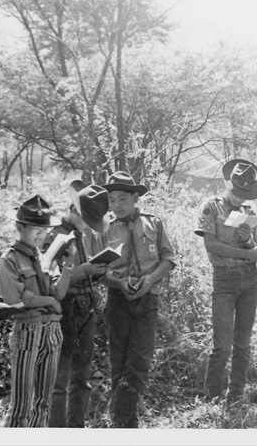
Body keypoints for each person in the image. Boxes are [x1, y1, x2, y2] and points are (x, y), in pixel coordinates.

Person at [99, 171, 176, 428]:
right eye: (111, 200)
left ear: (135, 198)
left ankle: (119, 418)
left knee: (139, 363)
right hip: (117, 299)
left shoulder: (154, 223)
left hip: (147, 300)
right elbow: (98, 270)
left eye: (122, 199)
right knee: (118, 363)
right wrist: (118, 282)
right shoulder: (105, 228)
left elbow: (168, 259)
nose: (116, 205)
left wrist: (151, 279)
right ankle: (125, 424)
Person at [194, 159, 257, 405]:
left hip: (249, 279)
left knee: (243, 344)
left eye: (244, 194)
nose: (239, 197)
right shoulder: (211, 208)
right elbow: (211, 245)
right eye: (236, 191)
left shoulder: (249, 213)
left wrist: (247, 240)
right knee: (222, 345)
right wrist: (247, 253)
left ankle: (235, 396)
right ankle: (212, 398)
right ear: (228, 185)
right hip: (224, 279)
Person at [0, 195, 72, 427]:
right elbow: (16, 298)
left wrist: (69, 268)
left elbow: (58, 294)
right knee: (21, 405)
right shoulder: (9, 259)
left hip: (52, 330)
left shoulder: (44, 258)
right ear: (19, 228)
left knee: (43, 402)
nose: (41, 236)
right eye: (35, 230)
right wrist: (48, 301)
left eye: (45, 231)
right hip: (28, 330)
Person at [45, 181, 111, 427]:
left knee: (82, 378)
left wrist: (96, 271)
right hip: (66, 309)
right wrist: (86, 270)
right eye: (87, 220)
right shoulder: (56, 235)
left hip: (85, 308)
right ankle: (58, 433)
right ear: (74, 209)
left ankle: (76, 428)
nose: (89, 226)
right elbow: (48, 278)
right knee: (60, 381)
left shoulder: (82, 235)